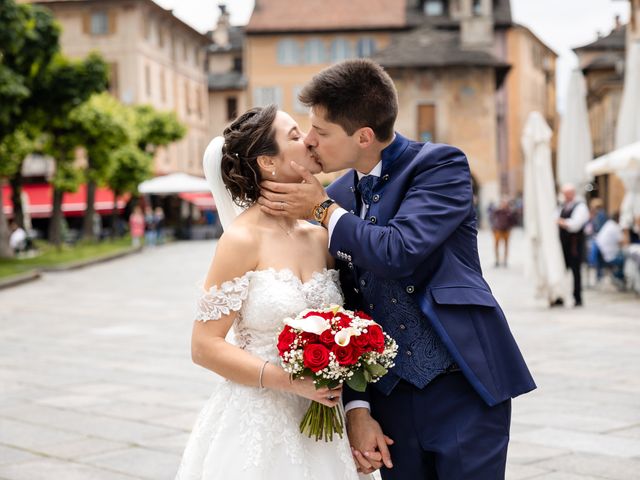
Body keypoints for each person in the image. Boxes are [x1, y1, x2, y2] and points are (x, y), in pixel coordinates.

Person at [259, 59, 535, 480]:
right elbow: (343, 305)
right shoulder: (336, 196)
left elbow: (399, 250)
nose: (311, 141)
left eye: (323, 131)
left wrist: (321, 210)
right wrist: (358, 408)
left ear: (364, 137)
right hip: (388, 398)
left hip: (463, 383)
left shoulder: (440, 167)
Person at [174, 105, 365, 480]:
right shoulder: (241, 240)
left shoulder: (321, 235)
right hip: (260, 420)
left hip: (327, 424)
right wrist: (290, 381)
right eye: (294, 136)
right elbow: (204, 345)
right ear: (267, 162)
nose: (309, 141)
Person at [557, 183, 589, 306]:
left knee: (576, 272)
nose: (566, 196)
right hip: (563, 244)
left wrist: (562, 222)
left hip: (575, 245)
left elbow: (576, 225)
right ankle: (560, 295)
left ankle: (577, 297)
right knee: (561, 270)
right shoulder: (562, 206)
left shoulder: (580, 207)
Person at [594, 212, 625, 284]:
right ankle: (617, 276)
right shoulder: (615, 227)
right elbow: (622, 242)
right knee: (626, 260)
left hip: (602, 254)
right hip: (608, 257)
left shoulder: (608, 224)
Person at [490, 197, 516, 267]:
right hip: (497, 229)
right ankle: (497, 260)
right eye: (502, 203)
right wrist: (493, 228)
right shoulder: (497, 211)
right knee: (496, 245)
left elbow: (513, 221)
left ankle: (505, 260)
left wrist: (510, 228)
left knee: (506, 245)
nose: (503, 204)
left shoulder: (509, 212)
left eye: (504, 203)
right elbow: (492, 219)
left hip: (506, 230)